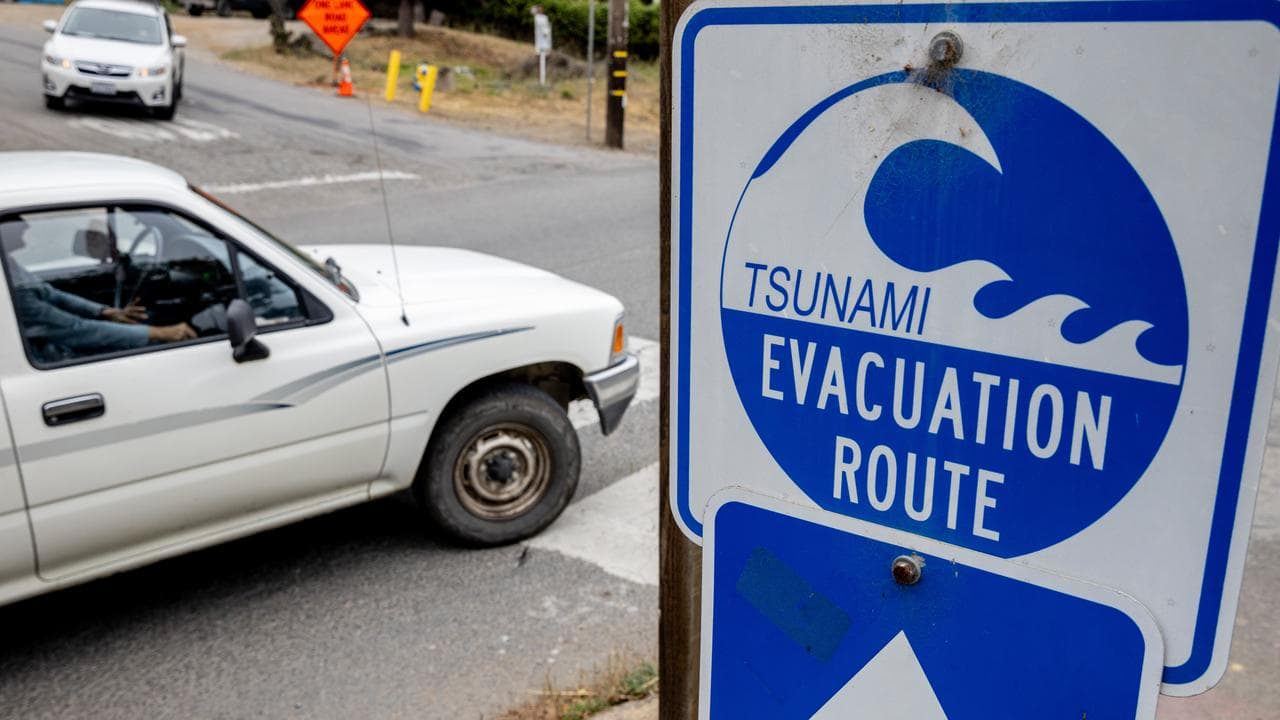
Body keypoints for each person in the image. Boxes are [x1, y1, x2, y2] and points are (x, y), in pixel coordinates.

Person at [1, 217, 196, 361]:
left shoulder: (7, 263)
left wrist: (105, 312)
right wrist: (159, 333)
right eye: (12, 220)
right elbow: (77, 330)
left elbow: (52, 294)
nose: (25, 224)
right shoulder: (19, 295)